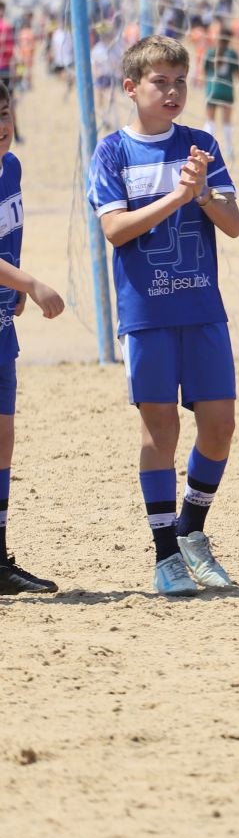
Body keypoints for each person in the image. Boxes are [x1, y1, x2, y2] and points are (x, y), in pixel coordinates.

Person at [87, 37, 239, 596]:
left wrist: (202, 195)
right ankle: (164, 556)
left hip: (202, 308)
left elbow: (234, 225)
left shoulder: (201, 144)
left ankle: (192, 533)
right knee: (162, 429)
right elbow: (114, 230)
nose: (173, 90)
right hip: (146, 311)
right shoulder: (112, 152)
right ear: (132, 88)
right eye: (160, 81)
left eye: (180, 80)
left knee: (220, 424)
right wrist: (177, 199)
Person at [0, 83, 66, 595]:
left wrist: (13, 289)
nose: (2, 124)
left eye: (3, 113)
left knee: (4, 437)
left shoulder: (13, 167)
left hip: (3, 327)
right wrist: (31, 284)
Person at [202, 29, 239, 154]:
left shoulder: (210, 53)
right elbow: (238, 75)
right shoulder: (232, 54)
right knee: (227, 121)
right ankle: (229, 149)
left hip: (213, 90)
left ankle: (205, 147)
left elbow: (204, 71)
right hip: (227, 91)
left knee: (210, 120)